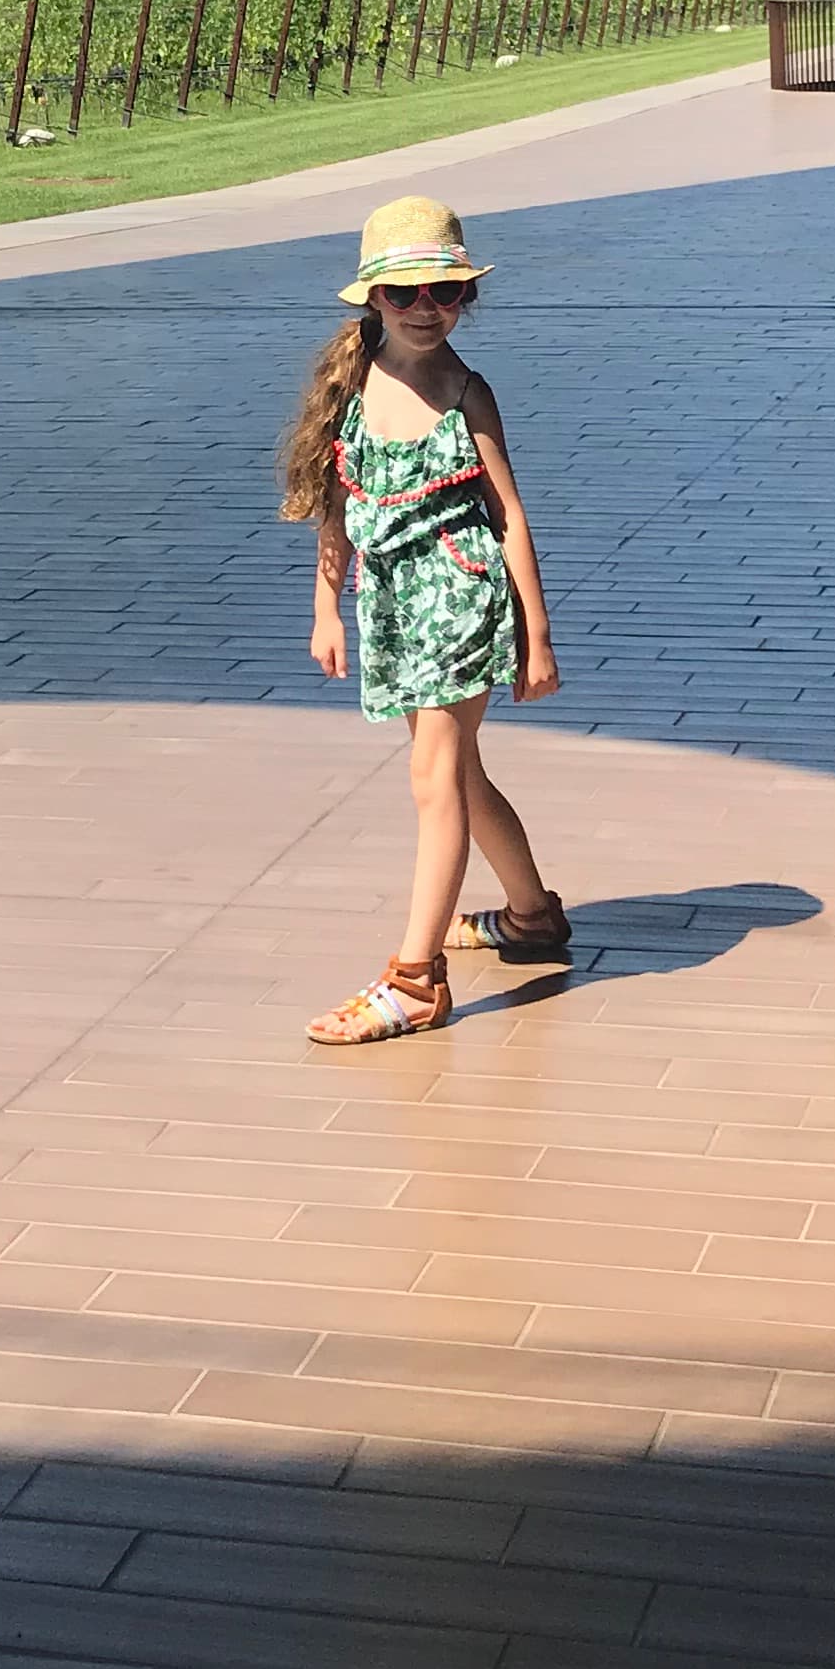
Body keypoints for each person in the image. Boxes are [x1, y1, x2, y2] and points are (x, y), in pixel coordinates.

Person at [278, 194, 567, 1042]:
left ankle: (415, 981)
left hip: (464, 599)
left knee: (432, 779)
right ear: (373, 300)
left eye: (445, 293)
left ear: (465, 299)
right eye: (404, 294)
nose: (425, 311)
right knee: (460, 775)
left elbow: (511, 515)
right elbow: (335, 512)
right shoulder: (350, 391)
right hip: (395, 609)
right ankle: (532, 918)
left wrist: (536, 633)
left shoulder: (467, 395)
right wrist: (327, 609)